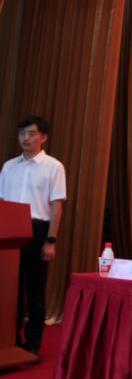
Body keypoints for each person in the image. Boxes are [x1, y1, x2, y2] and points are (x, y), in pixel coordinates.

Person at [0, 115, 66, 355]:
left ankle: (33, 344)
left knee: (35, 289)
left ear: (43, 137)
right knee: (9, 290)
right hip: (9, 233)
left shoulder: (53, 167)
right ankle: (10, 340)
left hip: (37, 231)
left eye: (31, 133)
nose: (25, 138)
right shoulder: (9, 166)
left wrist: (50, 240)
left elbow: (57, 205)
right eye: (22, 134)